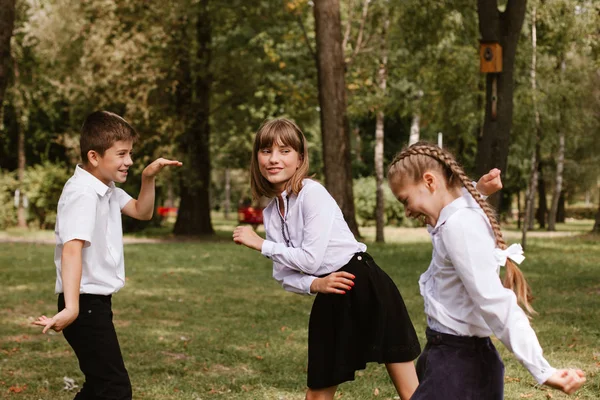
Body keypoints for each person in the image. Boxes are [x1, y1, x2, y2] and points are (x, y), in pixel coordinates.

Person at [232, 118, 501, 400]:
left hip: (366, 284)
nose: (274, 159)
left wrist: (260, 243)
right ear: (257, 158)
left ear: (300, 158)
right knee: (318, 392)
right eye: (266, 151)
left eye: (284, 151)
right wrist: (315, 285)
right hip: (332, 289)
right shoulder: (272, 214)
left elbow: (309, 259)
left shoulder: (312, 193)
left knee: (411, 392)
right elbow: (283, 275)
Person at [387, 142, 586, 399]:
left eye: (406, 199)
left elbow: (496, 303)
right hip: (449, 357)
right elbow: (448, 214)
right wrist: (477, 192)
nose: (407, 211)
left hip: (460, 365)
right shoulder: (454, 220)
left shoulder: (459, 227)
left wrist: (543, 370)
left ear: (429, 181)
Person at [32, 111, 182, 400]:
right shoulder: (83, 193)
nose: (130, 161)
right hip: (83, 304)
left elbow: (142, 211)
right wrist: (72, 309)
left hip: (94, 304)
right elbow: (71, 249)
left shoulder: (107, 188)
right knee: (114, 387)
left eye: (131, 154)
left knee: (101, 385)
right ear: (94, 156)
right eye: (122, 154)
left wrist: (148, 178)